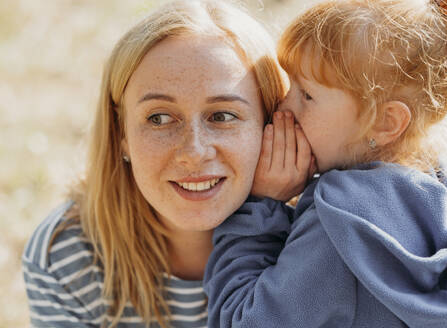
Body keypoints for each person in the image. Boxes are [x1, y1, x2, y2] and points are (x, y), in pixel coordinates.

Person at [204, 0, 447, 327]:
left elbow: (242, 321)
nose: (283, 106)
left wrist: (259, 208)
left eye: (307, 95)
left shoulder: (338, 220)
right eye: (290, 84)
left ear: (386, 123)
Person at [21, 0, 292, 326]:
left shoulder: (315, 238)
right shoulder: (66, 256)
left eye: (222, 116)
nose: (194, 151)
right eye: (160, 118)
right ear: (121, 133)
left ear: (271, 125)